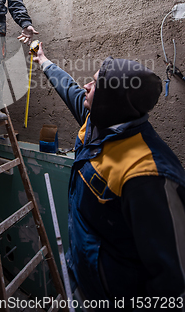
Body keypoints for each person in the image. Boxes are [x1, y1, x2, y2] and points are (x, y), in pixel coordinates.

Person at [33, 42, 185, 311]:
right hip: (82, 277)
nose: (86, 87)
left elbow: (172, 280)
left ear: (111, 98)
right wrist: (43, 61)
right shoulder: (98, 122)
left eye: (94, 84)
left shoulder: (148, 174)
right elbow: (69, 89)